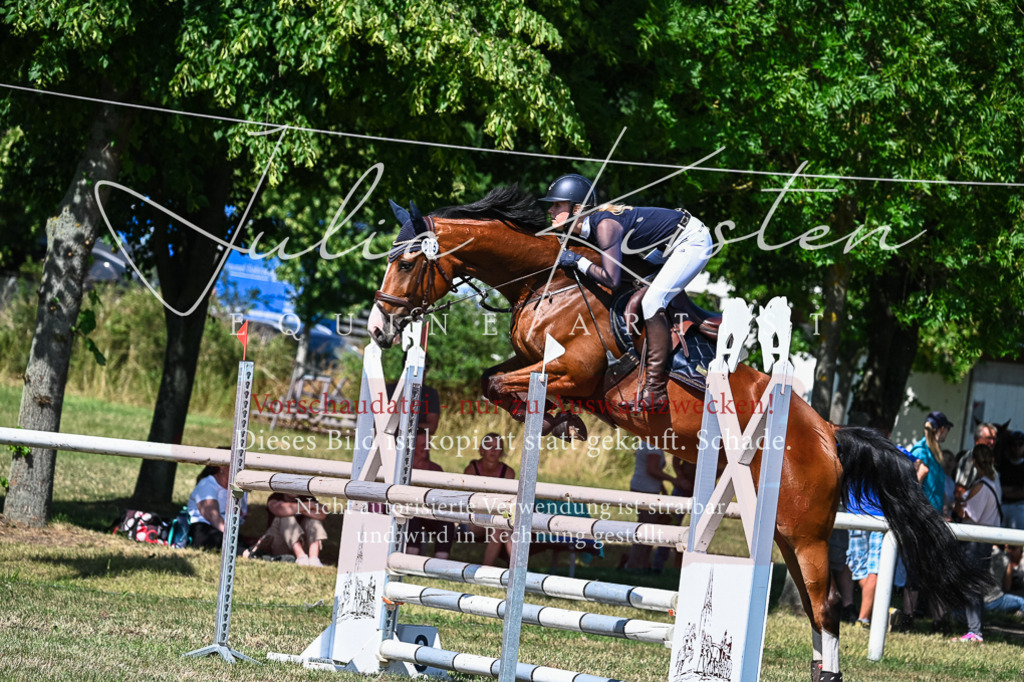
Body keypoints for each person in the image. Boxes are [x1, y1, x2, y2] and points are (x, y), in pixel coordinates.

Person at [540, 173, 713, 412]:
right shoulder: (589, 228)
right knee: (637, 287)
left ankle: (655, 390)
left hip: (691, 241)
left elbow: (611, 280)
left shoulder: (605, 226)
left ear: (577, 209)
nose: (550, 210)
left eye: (557, 205)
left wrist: (578, 261)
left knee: (652, 301)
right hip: (666, 245)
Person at [951, 444, 1002, 643]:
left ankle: (974, 631)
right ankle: (976, 629)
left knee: (971, 584)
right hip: (986, 541)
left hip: (975, 541)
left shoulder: (981, 486)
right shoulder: (995, 482)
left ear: (974, 462)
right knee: (977, 585)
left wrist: (958, 503)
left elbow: (968, 514)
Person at [623, 442, 683, 573]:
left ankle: (641, 563)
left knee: (648, 528)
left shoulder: (649, 442)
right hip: (646, 492)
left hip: (646, 489)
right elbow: (652, 470)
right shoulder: (653, 445)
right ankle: (634, 565)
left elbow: (654, 472)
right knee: (646, 530)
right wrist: (673, 480)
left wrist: (663, 491)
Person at [463, 433, 516, 566]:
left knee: (502, 527)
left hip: (498, 515)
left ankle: (515, 570)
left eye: (497, 447)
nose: (493, 450)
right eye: (489, 446)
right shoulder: (472, 470)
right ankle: (518, 569)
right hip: (473, 517)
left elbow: (508, 503)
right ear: (481, 450)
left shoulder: (508, 473)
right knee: (500, 526)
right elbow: (467, 502)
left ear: (501, 452)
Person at [405, 431, 455, 560]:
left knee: (447, 522)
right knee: (413, 519)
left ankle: (440, 563)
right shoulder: (404, 469)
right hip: (409, 512)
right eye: (423, 445)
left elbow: (443, 496)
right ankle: (410, 561)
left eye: (428, 444)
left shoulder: (436, 469)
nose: (426, 448)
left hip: (430, 513)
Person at [187, 464, 248, 551]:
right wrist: (232, 536)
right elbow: (213, 517)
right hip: (205, 529)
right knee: (229, 544)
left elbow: (243, 517)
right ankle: (247, 553)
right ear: (222, 466)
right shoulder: (207, 483)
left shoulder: (239, 488)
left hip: (229, 530)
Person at [261, 492, 329, 566]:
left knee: (314, 521)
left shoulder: (306, 497)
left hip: (304, 545)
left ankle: (314, 559)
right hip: (281, 545)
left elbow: (323, 513)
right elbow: (280, 510)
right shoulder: (275, 497)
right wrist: (309, 506)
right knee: (286, 518)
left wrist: (294, 509)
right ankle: (301, 557)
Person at [908, 411, 953, 515]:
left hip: (933, 516)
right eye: (948, 429)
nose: (947, 433)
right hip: (922, 516)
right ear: (942, 429)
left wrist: (944, 510)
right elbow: (913, 488)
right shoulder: (921, 452)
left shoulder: (934, 453)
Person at [955, 422, 998, 497]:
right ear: (976, 439)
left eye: (994, 438)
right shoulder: (969, 459)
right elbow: (960, 491)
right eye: (988, 438)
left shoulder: (990, 459)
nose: (992, 442)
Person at [983, 545, 1024, 617]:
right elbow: (1007, 587)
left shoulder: (979, 552)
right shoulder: (1005, 558)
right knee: (1021, 601)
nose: (1009, 551)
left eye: (1012, 548)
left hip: (975, 602)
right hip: (994, 601)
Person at [997, 430, 1024, 530]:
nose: (1017, 447)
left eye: (1020, 444)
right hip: (1002, 507)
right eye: (1014, 444)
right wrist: (1015, 489)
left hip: (1019, 507)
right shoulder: (1003, 466)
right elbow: (998, 488)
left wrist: (1005, 492)